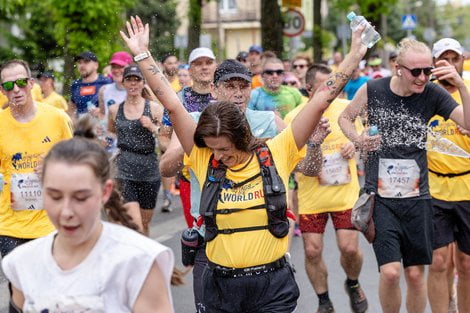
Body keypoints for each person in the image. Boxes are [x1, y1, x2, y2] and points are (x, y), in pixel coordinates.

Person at [121, 15, 367, 313]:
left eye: (224, 150)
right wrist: (142, 55)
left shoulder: (277, 149)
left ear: (242, 138)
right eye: (212, 149)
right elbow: (172, 103)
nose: (218, 157)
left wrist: (354, 55)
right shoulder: (203, 155)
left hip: (272, 285)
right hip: (221, 285)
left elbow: (321, 99)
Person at [338, 38, 470, 313]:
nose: (423, 77)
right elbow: (345, 118)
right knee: (391, 273)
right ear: (398, 68)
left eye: (428, 71)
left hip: (418, 199)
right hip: (381, 198)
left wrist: (460, 85)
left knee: (413, 274)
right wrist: (359, 141)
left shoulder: (432, 93)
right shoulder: (373, 89)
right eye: (416, 71)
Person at [160, 59, 292, 311]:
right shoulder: (195, 121)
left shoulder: (268, 121)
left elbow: (305, 165)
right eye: (230, 86)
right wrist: (197, 144)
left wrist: (316, 143)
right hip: (210, 240)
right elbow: (166, 167)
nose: (238, 93)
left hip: (260, 242)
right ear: (214, 89)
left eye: (243, 86)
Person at [1, 120, 174, 312]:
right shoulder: (22, 263)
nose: (66, 212)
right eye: (55, 196)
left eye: (80, 198)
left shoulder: (139, 261)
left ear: (105, 192)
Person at [286, 64, 367, 313]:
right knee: (311, 250)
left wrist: (354, 146)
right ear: (308, 87)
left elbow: (363, 141)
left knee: (349, 248)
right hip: (312, 197)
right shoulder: (295, 117)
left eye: (334, 86)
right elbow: (290, 158)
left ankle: (353, 284)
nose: (330, 91)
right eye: (324, 86)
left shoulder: (346, 110)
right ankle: (324, 300)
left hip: (344, 194)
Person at [0, 59, 73, 258]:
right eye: (8, 85)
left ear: (31, 84)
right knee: (18, 288)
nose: (16, 89)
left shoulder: (56, 118)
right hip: (10, 225)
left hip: (49, 222)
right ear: (2, 91)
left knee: (48, 286)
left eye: (21, 82)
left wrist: (53, 167)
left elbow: (75, 163)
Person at [426, 38, 470, 313]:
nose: (451, 65)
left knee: (466, 262)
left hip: (467, 187)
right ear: (434, 64)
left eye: (455, 59)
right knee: (439, 261)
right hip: (434, 188)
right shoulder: (425, 94)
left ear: (463, 60)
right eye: (444, 60)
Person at [108, 65, 164, 236]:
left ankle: (144, 260)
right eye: (129, 80)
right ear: (123, 83)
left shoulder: (154, 108)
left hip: (149, 170)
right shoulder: (115, 109)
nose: (133, 84)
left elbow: (166, 141)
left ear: (143, 83)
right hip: (124, 169)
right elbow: (111, 132)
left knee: (144, 226)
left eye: (136, 80)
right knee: (134, 225)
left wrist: (153, 127)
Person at [161, 47, 217, 214]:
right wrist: (186, 150)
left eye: (208, 63)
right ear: (189, 69)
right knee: (195, 233)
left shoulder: (224, 95)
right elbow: (164, 137)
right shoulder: (178, 100)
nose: (204, 67)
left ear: (216, 66)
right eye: (198, 64)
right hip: (189, 177)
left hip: (225, 172)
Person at [69, 51, 111, 118]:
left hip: (102, 125)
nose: (82, 65)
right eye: (79, 62)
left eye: (86, 62)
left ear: (96, 65)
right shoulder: (75, 85)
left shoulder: (107, 82)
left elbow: (116, 105)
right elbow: (71, 109)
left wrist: (103, 112)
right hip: (82, 126)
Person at [98, 51, 133, 119]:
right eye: (114, 67)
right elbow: (102, 115)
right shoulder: (103, 90)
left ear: (130, 67)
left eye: (120, 67)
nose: (116, 70)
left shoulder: (139, 89)